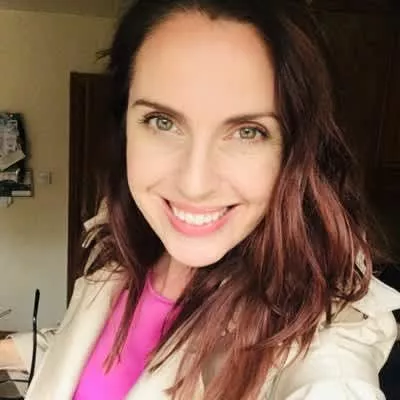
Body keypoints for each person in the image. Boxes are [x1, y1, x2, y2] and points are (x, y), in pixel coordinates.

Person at [1, 0, 400, 399]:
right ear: (125, 127)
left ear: (295, 150)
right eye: (163, 122)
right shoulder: (126, 240)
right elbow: (88, 355)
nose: (194, 185)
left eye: (248, 131)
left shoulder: (321, 334)